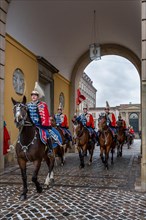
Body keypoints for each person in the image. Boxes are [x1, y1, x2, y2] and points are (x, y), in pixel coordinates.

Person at [27, 84, 62, 154]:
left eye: (35, 95)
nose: (33, 96)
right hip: (30, 125)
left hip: (40, 125)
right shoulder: (28, 105)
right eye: (32, 95)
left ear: (38, 97)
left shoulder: (42, 104)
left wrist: (44, 124)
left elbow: (45, 115)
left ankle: (50, 149)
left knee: (47, 135)